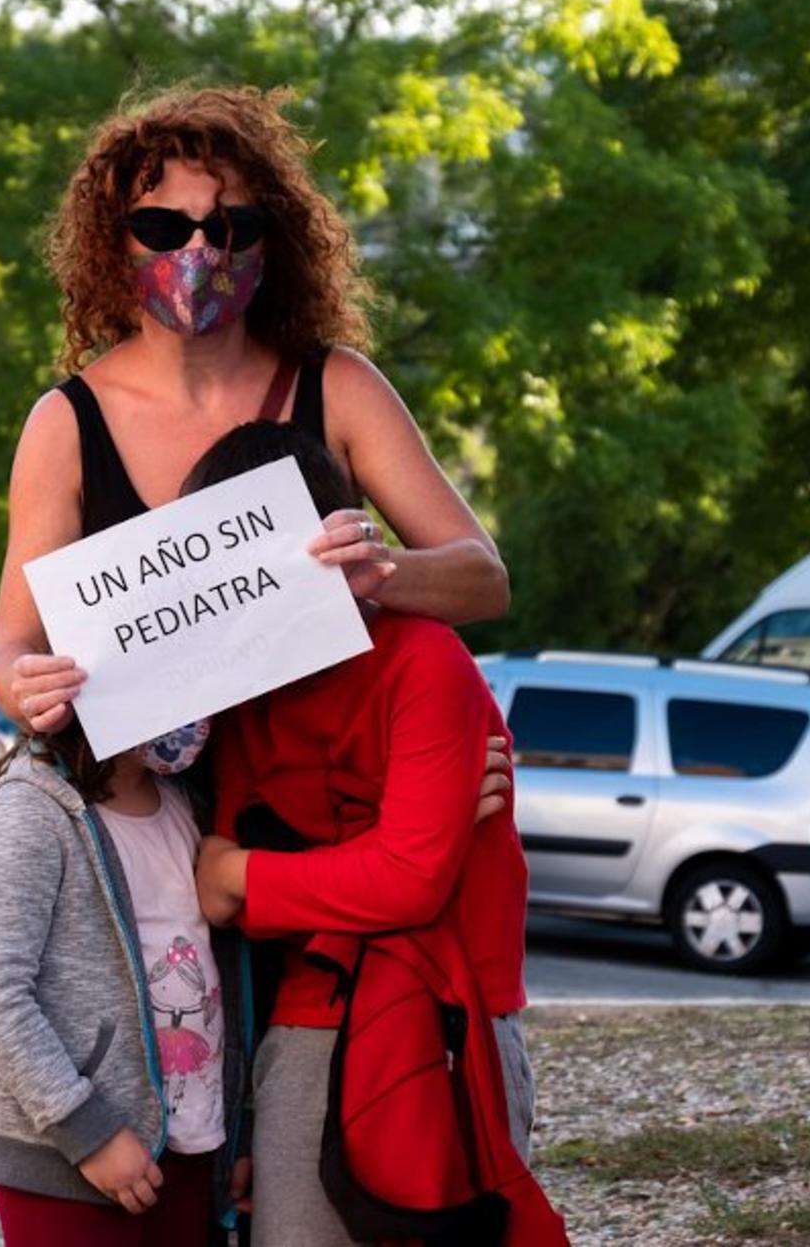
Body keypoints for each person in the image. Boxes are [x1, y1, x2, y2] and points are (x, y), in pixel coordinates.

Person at [0, 84, 510, 735]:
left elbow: (484, 579)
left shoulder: (338, 385)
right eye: (163, 227)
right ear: (113, 245)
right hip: (152, 800)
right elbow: (11, 648)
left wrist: (379, 571)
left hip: (326, 786)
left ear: (272, 241)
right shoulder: (65, 423)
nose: (200, 250)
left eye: (233, 225)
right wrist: (26, 689)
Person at [189, 422, 565, 1246]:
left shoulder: (426, 658)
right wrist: (385, 844)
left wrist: (252, 873)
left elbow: (404, 879)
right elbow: (226, 902)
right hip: (307, 1026)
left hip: (452, 1017)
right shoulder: (244, 701)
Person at [0, 725, 249, 1247]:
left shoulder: (189, 801)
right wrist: (86, 1131)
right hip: (65, 1155)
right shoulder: (29, 810)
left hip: (191, 1143)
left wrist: (236, 1131)